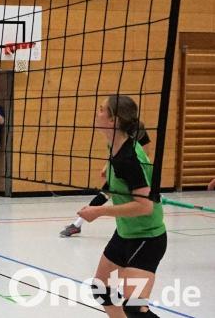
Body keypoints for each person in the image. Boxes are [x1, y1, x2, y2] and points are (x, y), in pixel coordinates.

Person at [77, 95, 166, 318]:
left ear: (113, 121)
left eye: (101, 109)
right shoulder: (116, 146)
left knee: (135, 308)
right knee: (101, 289)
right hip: (126, 233)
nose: (96, 112)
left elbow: (144, 206)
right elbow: (119, 183)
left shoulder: (129, 157)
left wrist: (99, 211)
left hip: (147, 237)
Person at [60, 129, 151, 238]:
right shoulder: (119, 132)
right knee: (104, 194)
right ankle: (77, 224)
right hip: (121, 171)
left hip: (134, 172)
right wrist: (108, 166)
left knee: (139, 202)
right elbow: (116, 153)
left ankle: (77, 224)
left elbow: (144, 154)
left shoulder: (139, 130)